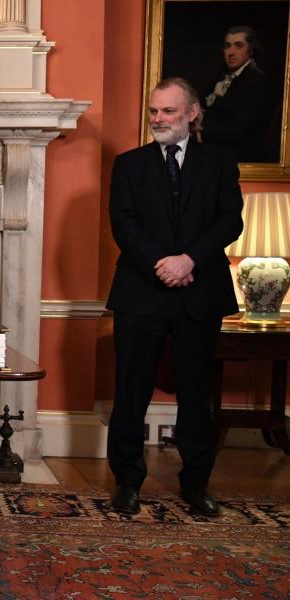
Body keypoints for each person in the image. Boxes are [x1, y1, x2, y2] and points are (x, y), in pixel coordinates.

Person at [106, 77, 243, 517]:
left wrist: (189, 261)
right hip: (140, 291)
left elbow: (229, 222)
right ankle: (127, 483)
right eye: (153, 111)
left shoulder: (220, 162)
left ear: (192, 112)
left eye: (167, 111)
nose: (157, 119)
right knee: (130, 392)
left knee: (196, 394)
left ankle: (196, 485)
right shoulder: (128, 164)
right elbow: (123, 225)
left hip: (199, 291)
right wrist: (161, 264)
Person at [200, 26, 276, 163]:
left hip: (239, 156)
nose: (231, 52)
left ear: (251, 50)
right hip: (214, 149)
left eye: (239, 46)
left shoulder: (258, 82)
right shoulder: (221, 77)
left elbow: (237, 130)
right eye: (227, 46)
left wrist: (201, 125)